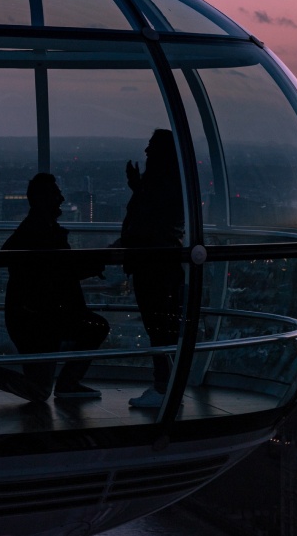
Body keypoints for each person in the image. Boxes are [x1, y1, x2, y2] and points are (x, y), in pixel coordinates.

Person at [0, 173, 109, 402]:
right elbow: (61, 271)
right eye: (56, 194)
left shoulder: (36, 228)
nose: (62, 199)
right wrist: (95, 264)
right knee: (38, 390)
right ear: (44, 199)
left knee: (40, 389)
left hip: (39, 318)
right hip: (40, 320)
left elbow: (58, 270)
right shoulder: (41, 231)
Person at [119, 129, 185, 409]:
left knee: (158, 327)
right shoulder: (169, 185)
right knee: (163, 327)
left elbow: (149, 220)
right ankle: (167, 387)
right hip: (162, 265)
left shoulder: (158, 187)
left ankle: (163, 388)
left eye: (151, 148)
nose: (146, 153)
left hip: (153, 267)